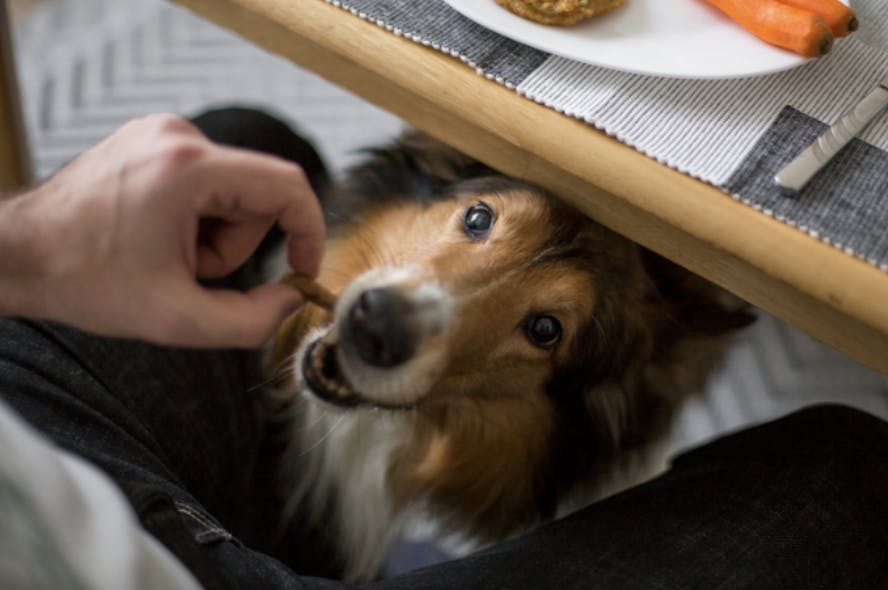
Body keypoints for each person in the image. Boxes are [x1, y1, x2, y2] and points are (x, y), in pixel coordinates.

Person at [0, 108, 886, 589]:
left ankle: (296, 534)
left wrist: (27, 246)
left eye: (545, 329)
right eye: (477, 220)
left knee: (246, 145)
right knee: (849, 472)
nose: (405, 311)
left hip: (27, 445)